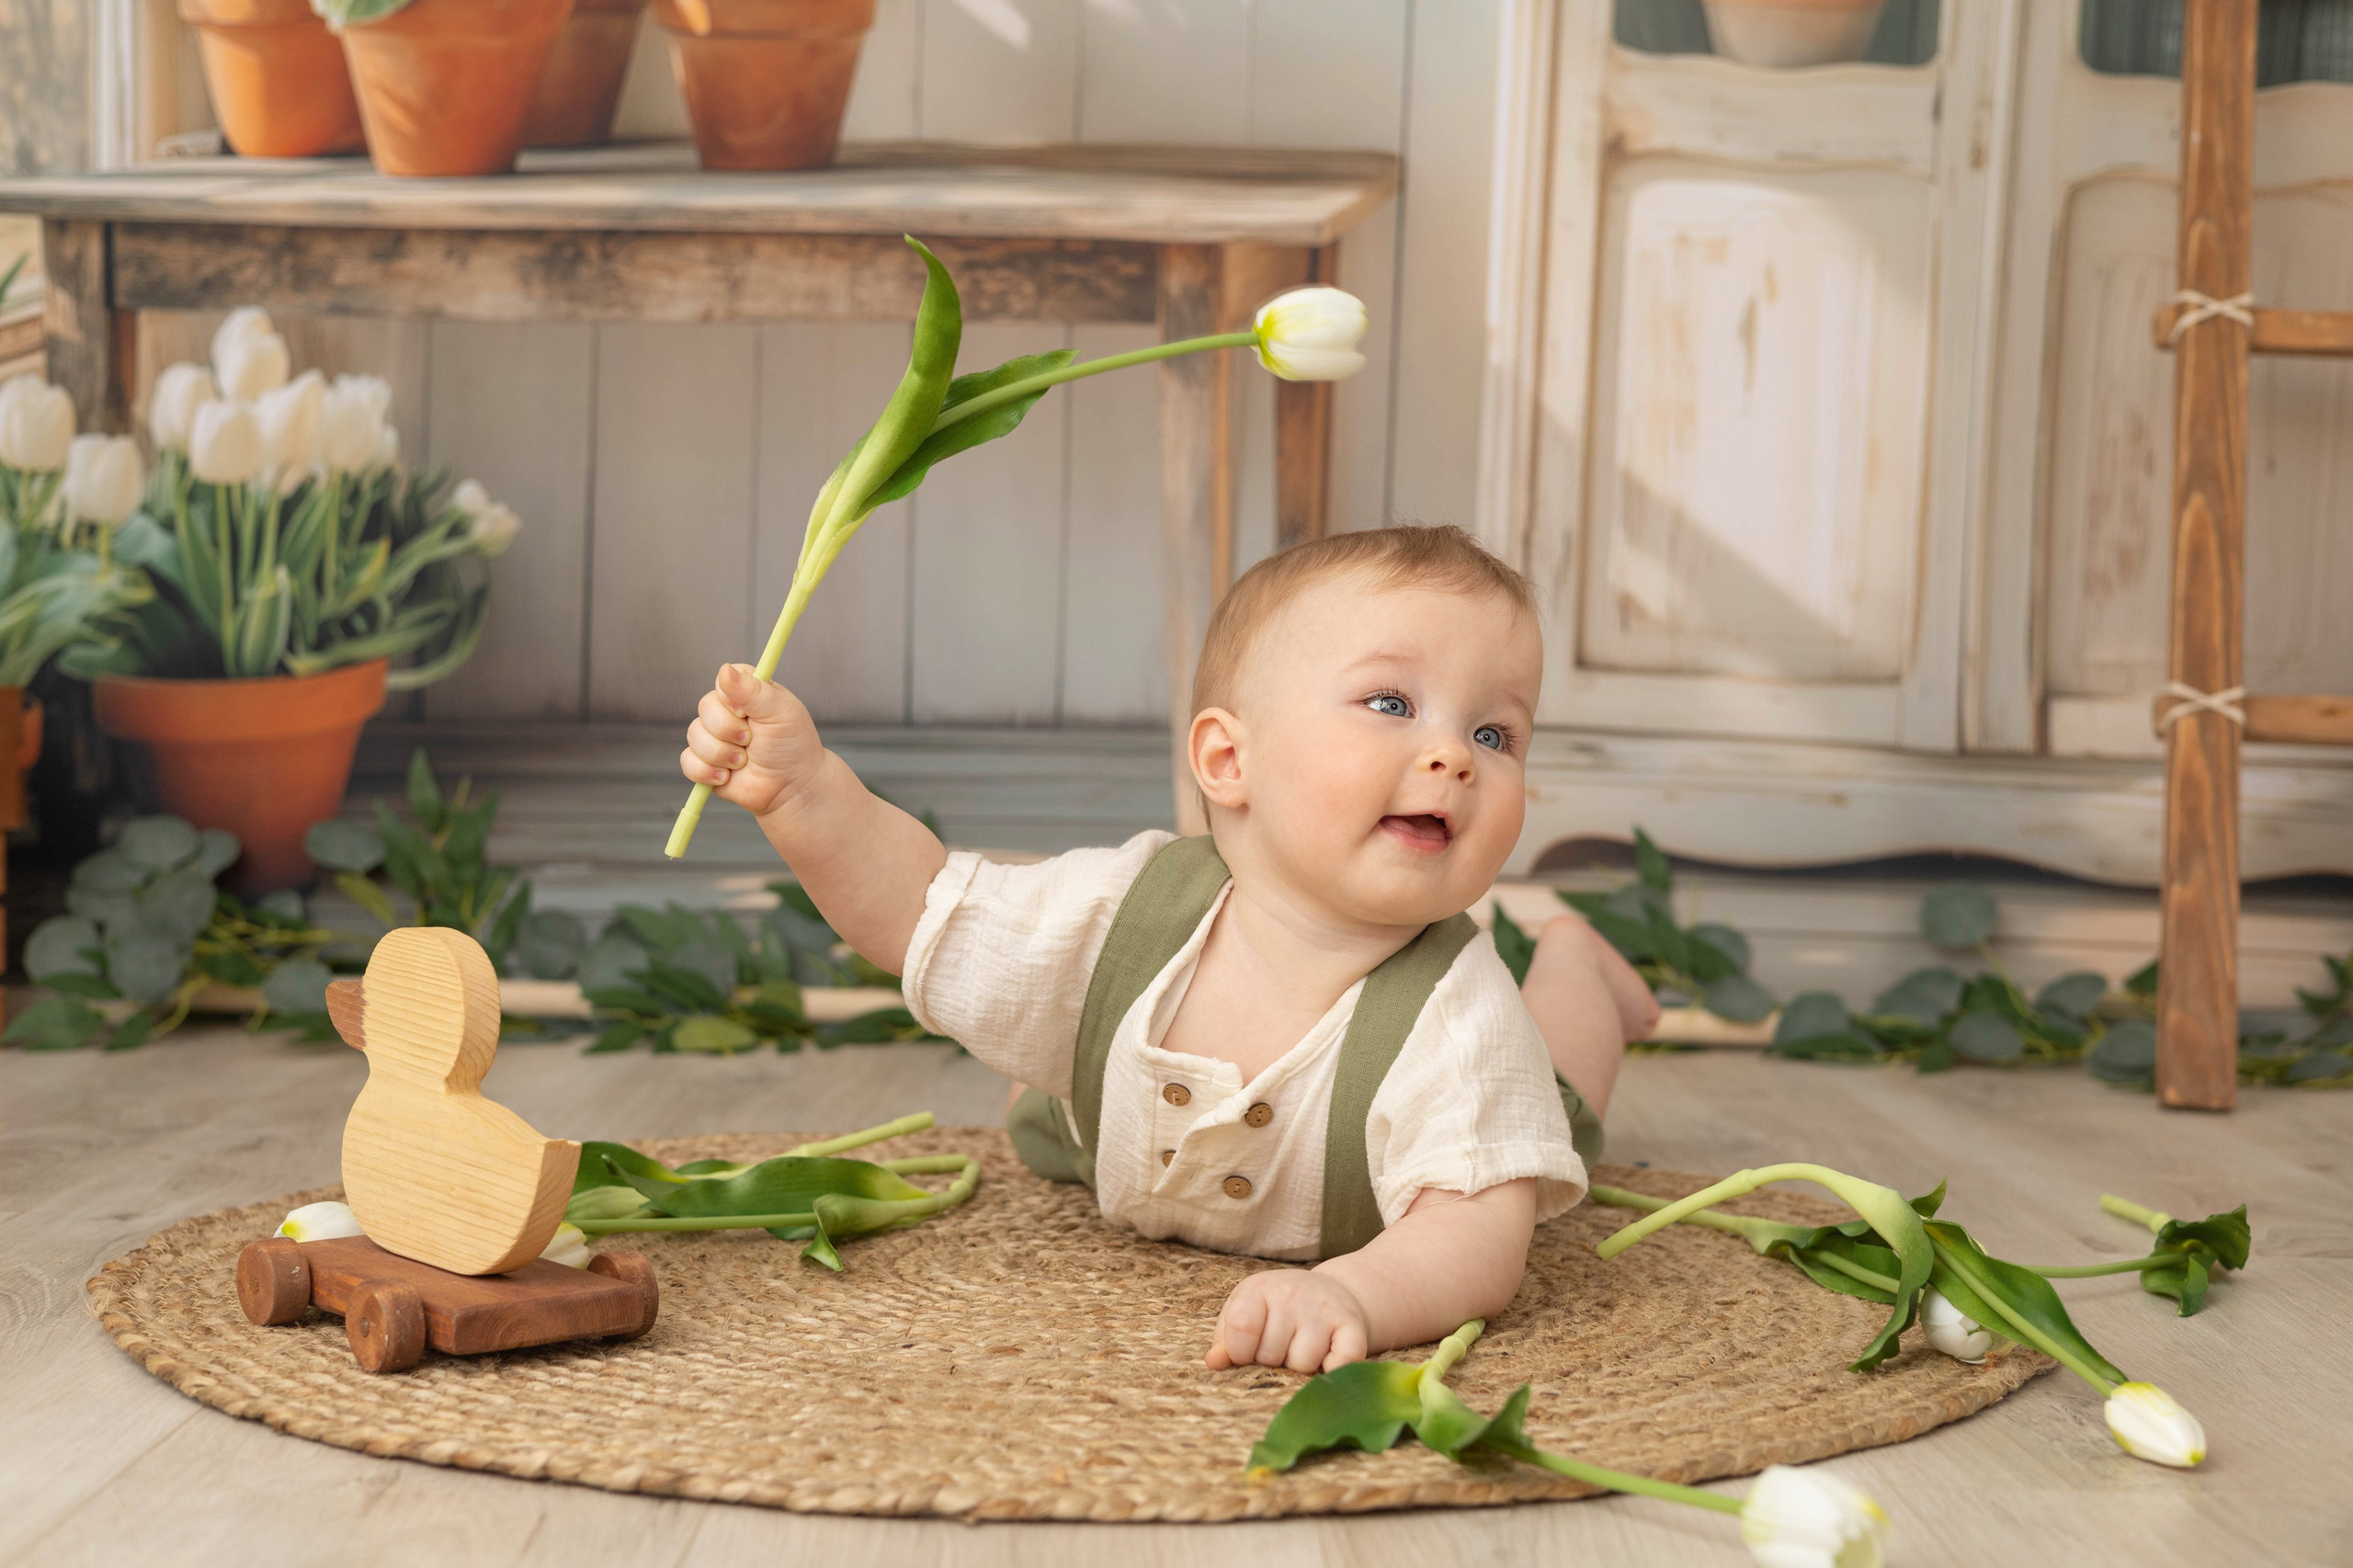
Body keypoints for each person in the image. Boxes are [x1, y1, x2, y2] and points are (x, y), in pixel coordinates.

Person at [678, 525, 1657, 1373]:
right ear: (1230, 761)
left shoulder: (1458, 1019)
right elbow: (919, 909)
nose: (1453, 755)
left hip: (1430, 1148)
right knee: (1057, 1012)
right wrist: (804, 793)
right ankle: (1072, 1083)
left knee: (1555, 1096)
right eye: (1391, 704)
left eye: (1495, 731)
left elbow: (1479, 1241)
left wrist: (1355, 1294)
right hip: (1117, 1120)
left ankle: (1582, 963)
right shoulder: (1124, 905)